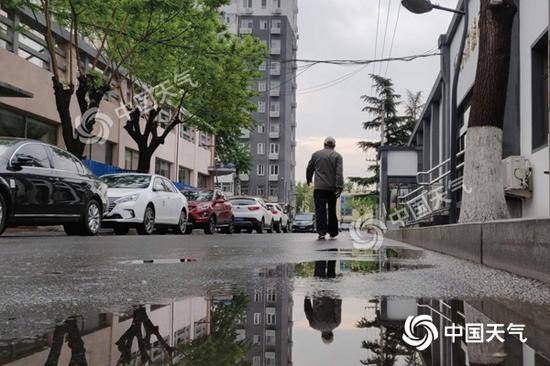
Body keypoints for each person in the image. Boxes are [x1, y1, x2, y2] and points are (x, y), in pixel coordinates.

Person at [306, 137, 344, 240]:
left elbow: (309, 168)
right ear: (334, 146)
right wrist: (339, 187)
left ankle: (321, 232)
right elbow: (339, 173)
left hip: (319, 188)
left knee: (320, 210)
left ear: (324, 144)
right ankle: (333, 232)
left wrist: (309, 179)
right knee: (332, 210)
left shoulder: (316, 155)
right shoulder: (338, 156)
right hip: (332, 189)